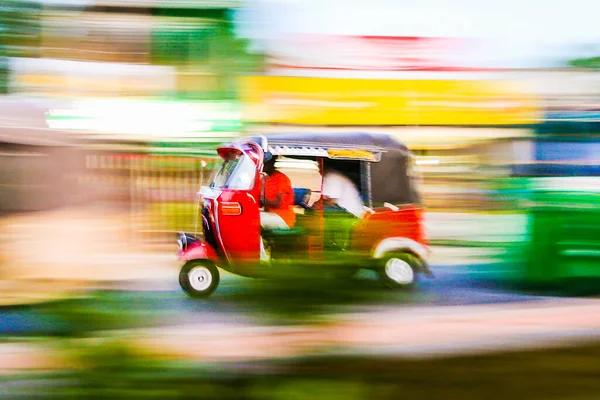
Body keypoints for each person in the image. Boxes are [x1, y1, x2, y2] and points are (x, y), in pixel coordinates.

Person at [260, 155, 295, 261]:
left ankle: (262, 258)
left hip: (283, 218)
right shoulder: (265, 179)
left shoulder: (281, 179)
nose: (262, 167)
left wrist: (262, 200)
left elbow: (277, 203)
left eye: (264, 164)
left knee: (253, 219)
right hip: (271, 216)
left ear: (270, 164)